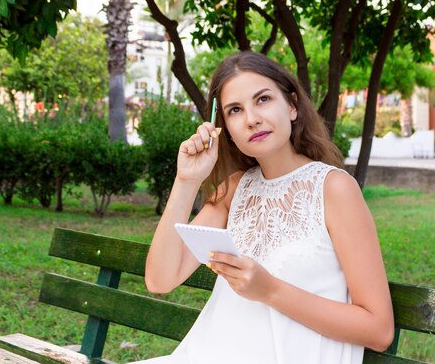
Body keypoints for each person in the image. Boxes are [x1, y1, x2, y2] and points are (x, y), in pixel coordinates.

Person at [138, 51, 394, 364]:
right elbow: (160, 279)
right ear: (226, 129)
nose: (251, 119)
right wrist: (186, 181)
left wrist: (270, 289)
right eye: (235, 110)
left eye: (263, 99)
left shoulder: (333, 188)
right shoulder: (233, 190)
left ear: (292, 106)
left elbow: (379, 330)